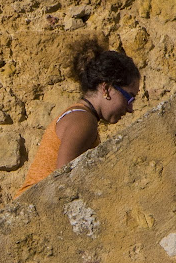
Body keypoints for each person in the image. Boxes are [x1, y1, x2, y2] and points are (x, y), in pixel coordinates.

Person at [16, 37, 140, 195]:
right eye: (129, 98)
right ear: (107, 89)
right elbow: (62, 184)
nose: (130, 108)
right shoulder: (84, 121)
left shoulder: (81, 116)